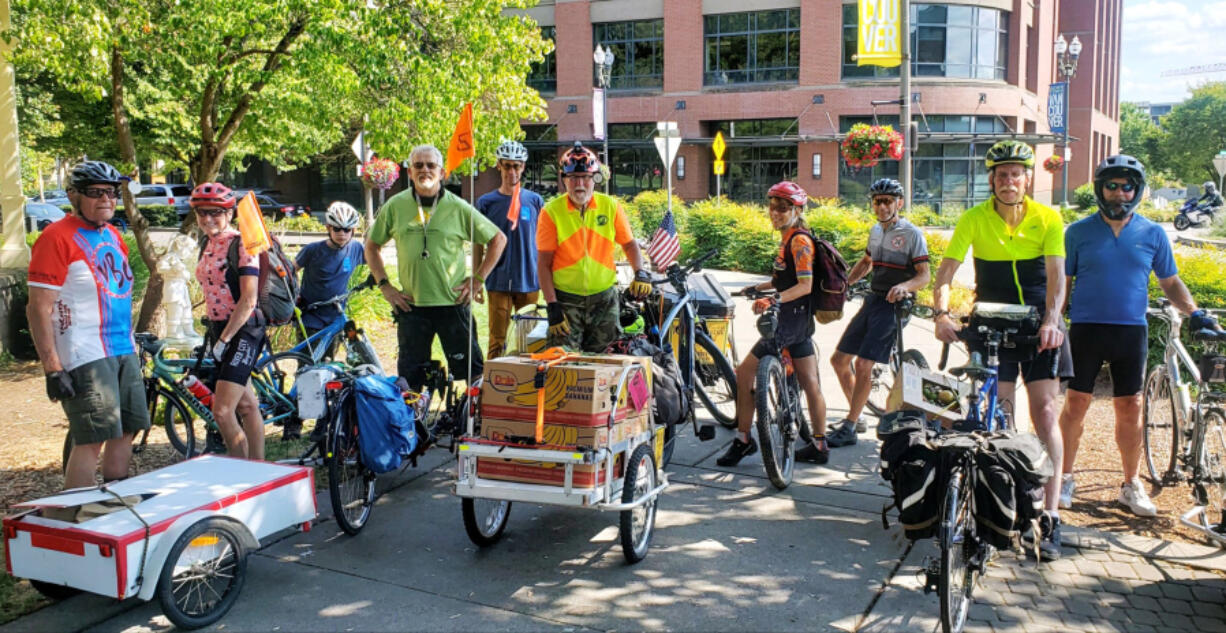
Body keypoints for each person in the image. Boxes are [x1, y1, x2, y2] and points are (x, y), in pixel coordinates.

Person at [1059, 155, 1220, 516]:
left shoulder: (1152, 233)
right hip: (1086, 329)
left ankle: (1130, 485)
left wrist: (1194, 312)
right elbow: (1062, 286)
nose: (1119, 193)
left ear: (1137, 190)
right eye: (1111, 186)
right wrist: (1051, 321)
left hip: (1130, 331)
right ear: (1100, 189)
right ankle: (1065, 477)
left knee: (1130, 408)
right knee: (1075, 405)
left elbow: (1171, 281)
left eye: (1126, 186)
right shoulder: (1077, 232)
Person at [932, 140, 1068, 560]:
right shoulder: (974, 218)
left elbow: (1057, 276)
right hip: (991, 321)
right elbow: (946, 272)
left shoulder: (1048, 217)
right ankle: (1003, 506)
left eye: (1016, 174)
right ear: (991, 179)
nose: (1009, 181)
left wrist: (1052, 319)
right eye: (1001, 175)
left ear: (1028, 177)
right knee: (1001, 414)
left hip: (1038, 323)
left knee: (1045, 411)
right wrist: (940, 313)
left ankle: (1051, 511)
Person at [27, 160, 150, 489]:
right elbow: (38, 308)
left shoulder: (112, 234)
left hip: (122, 348)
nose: (106, 199)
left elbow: (119, 295)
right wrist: (52, 369)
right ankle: (75, 516)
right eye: (96, 193)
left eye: (111, 192)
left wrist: (135, 345)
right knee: (92, 438)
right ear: (73, 196)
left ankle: (115, 504)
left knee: (126, 428)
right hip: (85, 353)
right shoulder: (56, 238)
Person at [365, 144, 507, 390]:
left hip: (452, 304)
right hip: (412, 306)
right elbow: (371, 246)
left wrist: (478, 279)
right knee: (409, 380)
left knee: (473, 374)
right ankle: (412, 425)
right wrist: (385, 286)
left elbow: (498, 239)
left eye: (431, 165)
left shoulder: (458, 207)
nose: (425, 170)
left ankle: (473, 421)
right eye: (418, 165)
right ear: (409, 172)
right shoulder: (395, 206)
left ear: (443, 173)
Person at [718, 182, 830, 466]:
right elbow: (787, 279)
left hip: (786, 322)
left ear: (798, 210)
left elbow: (805, 285)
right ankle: (819, 444)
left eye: (783, 208)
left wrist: (772, 300)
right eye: (772, 206)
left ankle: (744, 441)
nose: (775, 213)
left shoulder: (799, 242)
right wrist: (760, 286)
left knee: (744, 374)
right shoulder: (790, 238)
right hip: (798, 319)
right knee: (810, 382)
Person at [828, 178, 930, 447]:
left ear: (899, 203)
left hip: (896, 306)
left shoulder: (911, 234)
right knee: (838, 360)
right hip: (874, 300)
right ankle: (857, 413)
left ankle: (849, 427)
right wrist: (845, 285)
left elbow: (924, 276)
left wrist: (904, 286)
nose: (882, 206)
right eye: (877, 201)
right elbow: (867, 261)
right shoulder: (875, 230)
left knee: (863, 364)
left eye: (887, 201)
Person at [537, 143, 651, 352]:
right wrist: (552, 305)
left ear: (594, 179)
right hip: (566, 300)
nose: (579, 184)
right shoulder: (551, 212)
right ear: (564, 179)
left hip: (604, 300)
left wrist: (640, 272)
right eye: (573, 178)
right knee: (561, 364)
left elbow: (629, 244)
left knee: (606, 362)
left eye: (585, 177)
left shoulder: (610, 206)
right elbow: (544, 264)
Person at [193, 182, 266, 460]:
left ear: (229, 213)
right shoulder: (208, 243)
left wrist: (224, 340)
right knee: (246, 406)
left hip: (244, 330)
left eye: (215, 213)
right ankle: (259, 469)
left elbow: (248, 299)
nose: (208, 219)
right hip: (219, 329)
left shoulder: (243, 243)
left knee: (222, 411)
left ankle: (243, 474)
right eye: (202, 213)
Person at [284, 200, 365, 439]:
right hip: (311, 316)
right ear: (328, 228)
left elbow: (375, 259)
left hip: (335, 318)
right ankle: (294, 420)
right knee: (307, 368)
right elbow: (291, 270)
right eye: (337, 229)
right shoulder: (314, 250)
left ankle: (323, 422)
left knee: (328, 369)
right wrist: (294, 296)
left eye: (347, 230)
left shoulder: (356, 249)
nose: (342, 234)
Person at [474, 140, 545, 358]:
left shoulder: (534, 200)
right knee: (497, 341)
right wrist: (477, 279)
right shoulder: (486, 202)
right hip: (498, 282)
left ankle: (527, 387)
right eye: (507, 166)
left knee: (529, 341)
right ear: (499, 166)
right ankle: (494, 387)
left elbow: (544, 242)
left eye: (516, 166)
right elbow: (478, 244)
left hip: (529, 280)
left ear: (523, 167)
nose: (512, 171)